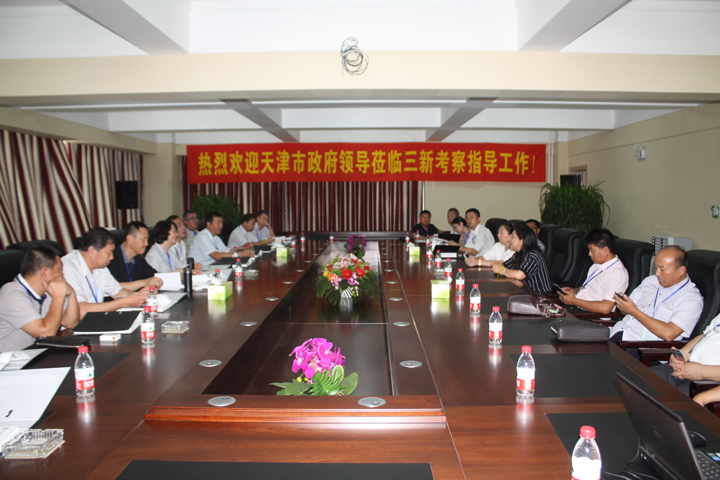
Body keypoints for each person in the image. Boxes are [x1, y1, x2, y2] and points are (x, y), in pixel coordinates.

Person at [610, 246, 703, 342]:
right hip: (617, 331)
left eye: (662, 269)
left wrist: (634, 311)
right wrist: (623, 305)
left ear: (681, 270)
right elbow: (626, 311)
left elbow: (669, 333)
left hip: (636, 344)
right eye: (655, 267)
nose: (657, 273)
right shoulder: (650, 281)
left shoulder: (691, 300)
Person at [0, 244, 80, 351]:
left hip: (33, 353)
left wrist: (71, 294)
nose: (62, 274)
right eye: (59, 269)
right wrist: (58, 297)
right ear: (44, 272)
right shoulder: (12, 295)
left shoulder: (47, 291)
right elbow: (45, 334)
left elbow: (71, 324)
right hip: (8, 359)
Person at [62, 227, 149, 318]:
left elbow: (118, 292)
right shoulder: (68, 268)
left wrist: (138, 296)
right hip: (76, 325)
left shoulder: (100, 267)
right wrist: (123, 303)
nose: (111, 257)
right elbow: (80, 311)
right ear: (92, 250)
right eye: (108, 253)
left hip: (96, 320)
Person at [558, 228, 629, 314]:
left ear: (605, 250)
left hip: (589, 315)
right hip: (576, 307)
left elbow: (606, 308)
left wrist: (574, 301)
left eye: (592, 250)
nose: (589, 254)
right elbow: (589, 286)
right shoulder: (597, 265)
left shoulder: (617, 274)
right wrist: (574, 291)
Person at [650, 312, 720, 396]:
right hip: (687, 366)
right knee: (641, 380)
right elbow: (705, 335)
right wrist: (682, 355)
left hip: (710, 380)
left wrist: (702, 371)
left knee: (664, 400)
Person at [491, 224, 552, 295]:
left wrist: (501, 270)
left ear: (521, 240)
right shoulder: (518, 254)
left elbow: (519, 275)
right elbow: (504, 265)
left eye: (513, 237)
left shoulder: (534, 256)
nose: (509, 240)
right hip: (525, 293)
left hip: (540, 297)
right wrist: (501, 267)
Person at [107, 221, 163, 290]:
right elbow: (111, 287)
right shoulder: (111, 258)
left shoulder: (138, 259)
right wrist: (144, 283)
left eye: (147, 240)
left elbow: (154, 276)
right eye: (143, 239)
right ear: (130, 239)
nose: (146, 244)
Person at [188, 211, 253, 265]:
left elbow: (226, 250)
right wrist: (240, 254)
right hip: (201, 269)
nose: (221, 225)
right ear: (208, 224)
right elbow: (216, 256)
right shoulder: (202, 236)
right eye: (218, 222)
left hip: (213, 265)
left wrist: (242, 250)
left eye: (221, 222)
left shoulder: (216, 237)